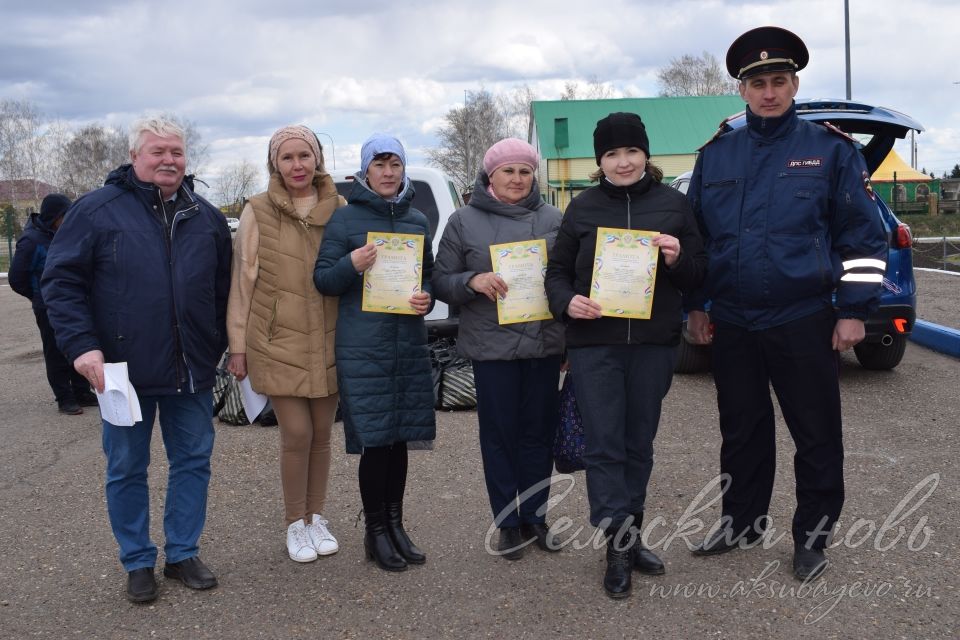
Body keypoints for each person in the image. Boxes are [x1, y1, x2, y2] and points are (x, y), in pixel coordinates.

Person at [684, 26, 888, 581]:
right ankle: (741, 521)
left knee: (815, 432)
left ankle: (812, 538)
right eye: (757, 83)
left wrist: (852, 310)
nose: (768, 92)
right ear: (743, 91)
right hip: (732, 318)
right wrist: (697, 304)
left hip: (802, 316)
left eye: (778, 81)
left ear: (794, 84)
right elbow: (699, 238)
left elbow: (863, 239)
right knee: (741, 428)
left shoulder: (830, 150)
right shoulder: (717, 154)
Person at [41, 116, 232, 603]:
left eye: (177, 152)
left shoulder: (205, 216)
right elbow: (61, 282)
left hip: (191, 368)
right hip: (121, 372)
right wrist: (83, 347)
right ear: (135, 156)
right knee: (126, 466)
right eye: (158, 151)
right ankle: (138, 560)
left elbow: (222, 291)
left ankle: (183, 552)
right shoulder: (96, 211)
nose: (169, 160)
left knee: (192, 461)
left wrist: (219, 346)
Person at [545, 112, 705, 598]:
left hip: (654, 346)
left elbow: (700, 274)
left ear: (645, 154)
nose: (623, 162)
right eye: (612, 154)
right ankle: (616, 543)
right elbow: (556, 274)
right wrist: (566, 302)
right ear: (600, 162)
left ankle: (630, 535)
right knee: (604, 445)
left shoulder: (674, 206)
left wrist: (678, 259)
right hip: (596, 346)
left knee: (639, 442)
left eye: (631, 152)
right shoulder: (583, 209)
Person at [432, 138, 564, 561]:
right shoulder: (463, 221)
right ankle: (508, 522)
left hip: (544, 343)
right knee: (500, 436)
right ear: (490, 176)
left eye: (525, 171)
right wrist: (472, 281)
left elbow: (567, 279)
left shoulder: (554, 218)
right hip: (492, 347)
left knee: (539, 435)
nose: (517, 179)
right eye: (508, 171)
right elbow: (441, 280)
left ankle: (537, 516)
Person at [313, 134, 436, 572]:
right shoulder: (345, 221)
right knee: (375, 442)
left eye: (395, 165)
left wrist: (425, 296)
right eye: (380, 164)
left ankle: (397, 525)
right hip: (363, 346)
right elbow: (324, 279)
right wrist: (352, 264)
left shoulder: (418, 220)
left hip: (407, 342)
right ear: (365, 171)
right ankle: (375, 532)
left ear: (404, 170)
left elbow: (430, 276)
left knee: (399, 438)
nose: (388, 172)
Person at [226, 125, 342, 564]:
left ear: (317, 160)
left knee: (322, 436)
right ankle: (296, 522)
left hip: (329, 338)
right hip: (276, 341)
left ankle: (317, 519)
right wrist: (238, 346)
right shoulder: (257, 210)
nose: (297, 165)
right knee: (296, 434)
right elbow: (242, 282)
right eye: (288, 157)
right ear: (275, 163)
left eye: (305, 156)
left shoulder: (340, 207)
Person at [9, 193, 97, 415]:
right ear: (54, 216)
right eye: (65, 215)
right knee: (55, 351)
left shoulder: (67, 235)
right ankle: (65, 398)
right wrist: (38, 297)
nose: (69, 219)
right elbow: (16, 278)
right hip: (48, 306)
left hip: (75, 303)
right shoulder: (31, 241)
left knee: (78, 345)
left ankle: (82, 392)